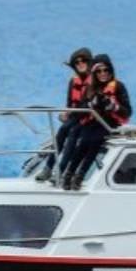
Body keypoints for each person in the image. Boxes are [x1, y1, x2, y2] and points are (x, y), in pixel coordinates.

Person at [60, 54, 131, 191]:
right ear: (94, 72)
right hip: (92, 121)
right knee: (82, 144)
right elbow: (81, 107)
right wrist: (86, 106)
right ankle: (68, 175)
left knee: (94, 142)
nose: (103, 73)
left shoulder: (119, 87)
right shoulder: (90, 88)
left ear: (111, 70)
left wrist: (113, 106)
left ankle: (80, 176)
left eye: (106, 70)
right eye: (99, 71)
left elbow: (127, 111)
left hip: (108, 123)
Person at [34, 47, 93, 183]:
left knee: (72, 132)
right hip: (76, 117)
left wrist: (73, 115)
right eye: (77, 62)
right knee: (62, 131)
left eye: (83, 60)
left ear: (89, 62)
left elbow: (89, 105)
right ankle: (48, 168)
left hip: (90, 119)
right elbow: (70, 104)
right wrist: (65, 114)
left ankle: (62, 170)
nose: (80, 64)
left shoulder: (95, 82)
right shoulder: (73, 81)